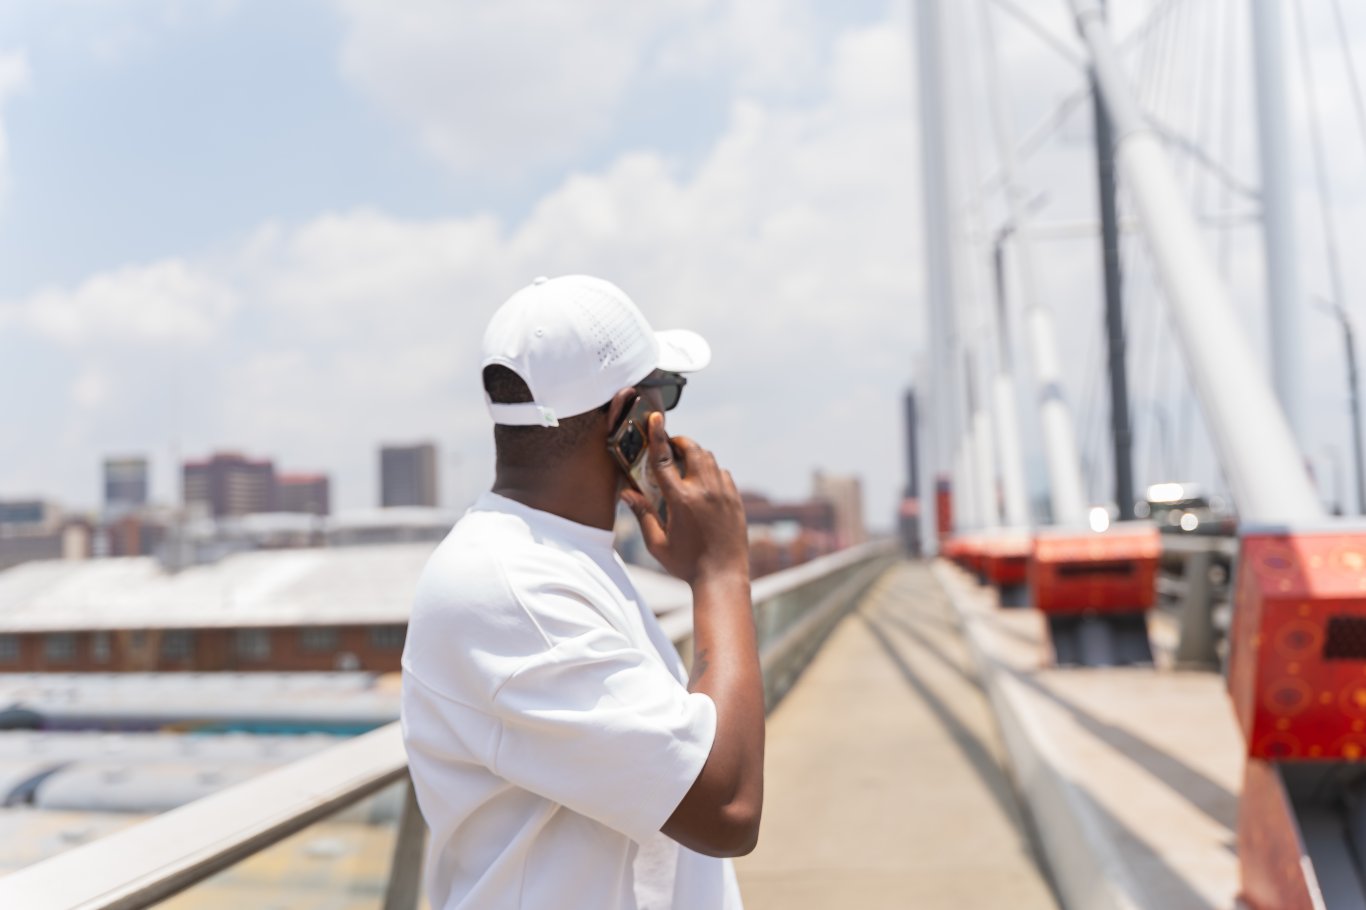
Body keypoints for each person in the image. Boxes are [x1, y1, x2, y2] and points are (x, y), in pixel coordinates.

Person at [401, 275, 764, 909]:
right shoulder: (510, 588)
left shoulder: (554, 557)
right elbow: (726, 808)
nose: (671, 417)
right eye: (667, 393)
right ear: (628, 417)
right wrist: (722, 574)